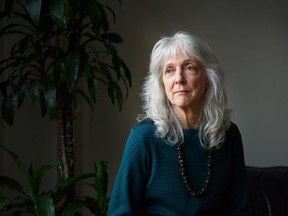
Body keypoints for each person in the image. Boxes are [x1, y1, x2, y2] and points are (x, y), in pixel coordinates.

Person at [108, 31, 249, 215]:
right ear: (162, 84)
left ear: (208, 79)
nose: (178, 79)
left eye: (189, 67)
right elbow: (119, 211)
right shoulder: (143, 138)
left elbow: (239, 210)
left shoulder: (229, 135)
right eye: (169, 70)